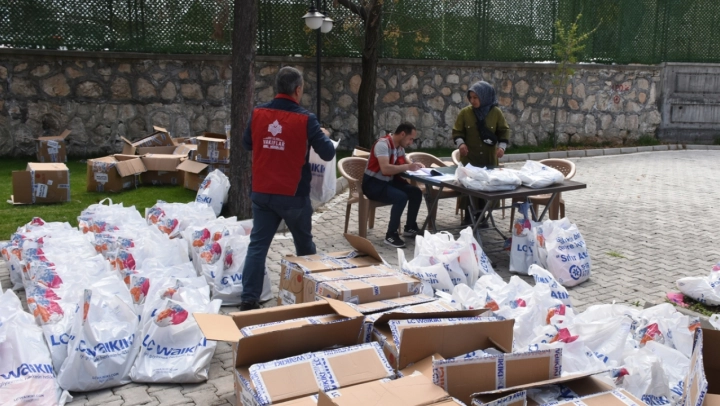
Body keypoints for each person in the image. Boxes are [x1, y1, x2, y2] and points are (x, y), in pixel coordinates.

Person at [240, 66, 335, 311]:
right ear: (298, 89)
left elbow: (247, 143)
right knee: (304, 246)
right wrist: (322, 134)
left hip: (262, 191)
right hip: (293, 195)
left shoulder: (258, 113)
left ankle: (248, 300)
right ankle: (311, 297)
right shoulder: (306, 119)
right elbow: (327, 152)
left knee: (258, 246)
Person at [452, 80, 510, 226]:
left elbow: (504, 131)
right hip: (470, 159)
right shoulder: (465, 113)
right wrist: (461, 144)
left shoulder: (496, 113)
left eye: (476, 97)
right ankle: (468, 216)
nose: (472, 101)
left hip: (488, 159)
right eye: (470, 97)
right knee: (468, 188)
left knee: (487, 187)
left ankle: (482, 216)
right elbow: (457, 131)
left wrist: (502, 147)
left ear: (485, 97)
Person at [362, 122, 425, 248]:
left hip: (388, 181)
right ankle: (391, 235)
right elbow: (385, 169)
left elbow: (404, 163)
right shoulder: (382, 144)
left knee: (416, 192)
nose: (411, 142)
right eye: (410, 139)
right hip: (373, 184)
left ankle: (410, 227)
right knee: (401, 197)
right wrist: (408, 166)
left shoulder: (399, 147)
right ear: (402, 134)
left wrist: (415, 165)